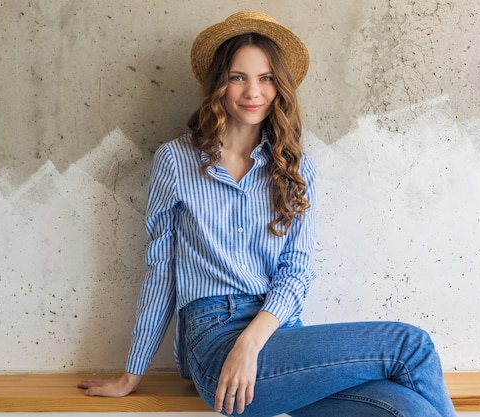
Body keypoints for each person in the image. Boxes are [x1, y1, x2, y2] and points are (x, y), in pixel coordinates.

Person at [78, 11, 457, 417]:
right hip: (214, 340)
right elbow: (161, 269)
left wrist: (251, 344)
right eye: (239, 77)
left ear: (280, 87)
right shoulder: (176, 160)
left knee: (410, 409)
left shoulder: (294, 167)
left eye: (266, 78)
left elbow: (297, 270)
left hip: (276, 338)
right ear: (220, 85)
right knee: (410, 345)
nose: (252, 91)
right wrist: (132, 372)